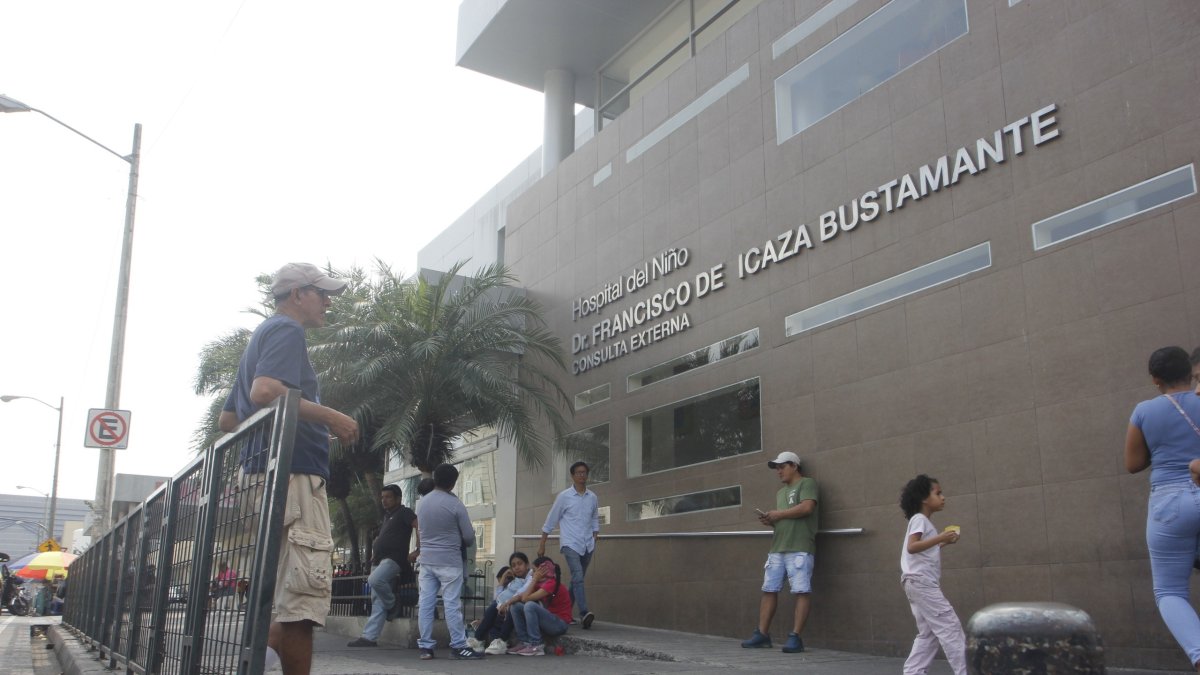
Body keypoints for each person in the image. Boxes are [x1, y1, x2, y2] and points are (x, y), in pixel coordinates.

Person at [220, 262, 360, 675]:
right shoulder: (286, 329)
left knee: (285, 599)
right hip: (292, 478)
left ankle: (261, 658)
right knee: (301, 603)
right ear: (298, 294)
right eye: (322, 293)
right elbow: (265, 391)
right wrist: (331, 417)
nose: (328, 302)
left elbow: (229, 419)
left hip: (263, 473)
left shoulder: (259, 337)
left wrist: (294, 430)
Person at [1126, 346, 1200, 670]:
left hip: (1168, 504)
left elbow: (1133, 463)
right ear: (1189, 370)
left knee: (1170, 591)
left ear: (1155, 379)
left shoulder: (1144, 411)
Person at [741, 451, 818, 653]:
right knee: (769, 589)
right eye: (777, 468)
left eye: (782, 466)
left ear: (794, 465)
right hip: (777, 547)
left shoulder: (807, 483)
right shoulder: (780, 493)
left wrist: (779, 514)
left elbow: (807, 508)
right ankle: (762, 634)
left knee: (801, 590)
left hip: (800, 547)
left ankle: (795, 637)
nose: (779, 471)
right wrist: (771, 521)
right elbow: (786, 519)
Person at [898, 474, 967, 675]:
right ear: (923, 498)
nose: (943, 497)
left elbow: (921, 550)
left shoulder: (920, 521)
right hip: (922, 583)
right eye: (938, 493)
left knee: (928, 634)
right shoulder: (920, 519)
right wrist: (941, 537)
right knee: (950, 627)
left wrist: (943, 542)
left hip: (914, 583)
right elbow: (913, 547)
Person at [416, 463, 482, 660]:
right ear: (453, 483)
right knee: (451, 604)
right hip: (449, 561)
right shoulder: (455, 504)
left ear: (435, 479)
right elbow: (469, 537)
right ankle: (459, 646)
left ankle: (426, 647)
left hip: (427, 561)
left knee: (426, 604)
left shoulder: (423, 503)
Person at [348, 484, 418, 647]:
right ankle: (369, 637)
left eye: (388, 497)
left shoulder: (405, 512)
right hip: (379, 559)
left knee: (374, 580)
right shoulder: (388, 516)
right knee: (377, 599)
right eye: (382, 497)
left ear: (398, 499)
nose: (384, 500)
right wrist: (375, 552)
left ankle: (393, 602)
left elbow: (418, 525)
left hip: (394, 559)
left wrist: (418, 550)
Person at [538, 460, 599, 628]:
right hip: (570, 543)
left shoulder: (592, 497)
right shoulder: (564, 496)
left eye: (584, 472)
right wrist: (542, 542)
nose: (582, 475)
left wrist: (595, 535)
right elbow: (551, 519)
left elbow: (594, 518)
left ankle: (565, 613)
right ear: (572, 476)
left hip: (588, 544)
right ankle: (584, 612)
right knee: (578, 577)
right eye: (578, 473)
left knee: (576, 580)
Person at [469, 552, 533, 655]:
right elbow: (498, 597)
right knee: (494, 606)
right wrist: (503, 578)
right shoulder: (514, 581)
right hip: (504, 608)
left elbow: (522, 593)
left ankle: (502, 641)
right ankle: (478, 640)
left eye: (519, 563)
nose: (517, 567)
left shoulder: (530, 578)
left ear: (527, 565)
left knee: (511, 607)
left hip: (521, 609)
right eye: (513, 565)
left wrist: (507, 603)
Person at [506, 556, 572, 656]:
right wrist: (508, 602)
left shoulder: (551, 584)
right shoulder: (539, 584)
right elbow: (522, 596)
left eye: (535, 570)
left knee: (529, 605)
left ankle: (536, 645)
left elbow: (525, 599)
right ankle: (524, 642)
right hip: (549, 621)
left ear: (543, 571)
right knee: (515, 606)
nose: (532, 573)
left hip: (559, 625)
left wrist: (534, 580)